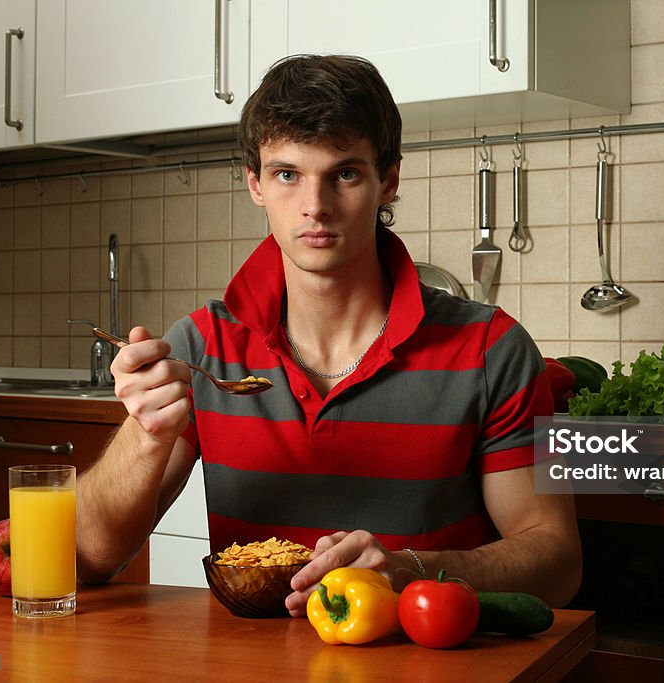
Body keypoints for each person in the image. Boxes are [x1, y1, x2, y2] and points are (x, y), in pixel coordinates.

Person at [76, 54, 581, 616]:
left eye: (344, 173)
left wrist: (407, 569)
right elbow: (87, 559)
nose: (314, 206)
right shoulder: (202, 347)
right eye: (287, 174)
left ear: (388, 181)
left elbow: (559, 563)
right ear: (256, 185)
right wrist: (145, 436)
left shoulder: (493, 349)